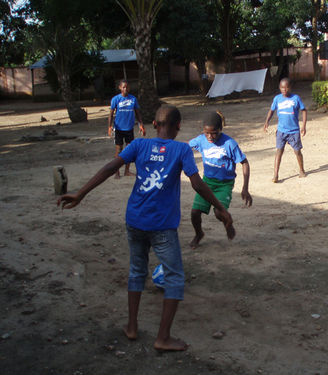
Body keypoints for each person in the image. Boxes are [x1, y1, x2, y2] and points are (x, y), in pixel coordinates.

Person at [58, 105, 233, 351]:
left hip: (135, 221)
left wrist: (80, 193)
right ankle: (162, 337)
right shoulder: (182, 149)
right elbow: (198, 185)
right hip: (162, 226)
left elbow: (110, 168)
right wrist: (220, 208)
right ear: (179, 126)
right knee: (174, 277)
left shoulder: (139, 145)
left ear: (153, 124)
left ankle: (131, 327)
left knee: (137, 271)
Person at [189, 111, 252, 249]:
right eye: (207, 133)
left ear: (220, 129)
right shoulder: (201, 140)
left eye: (214, 133)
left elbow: (245, 162)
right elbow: (186, 146)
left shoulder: (230, 144)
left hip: (224, 184)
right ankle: (199, 234)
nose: (210, 137)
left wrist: (245, 187)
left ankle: (227, 224)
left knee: (219, 213)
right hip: (207, 182)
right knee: (194, 213)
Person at [263, 78, 307, 182]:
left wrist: (304, 126)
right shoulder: (277, 99)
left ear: (290, 87)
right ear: (279, 88)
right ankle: (275, 175)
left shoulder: (296, 98)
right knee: (279, 151)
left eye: (287, 87)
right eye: (282, 87)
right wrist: (266, 121)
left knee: (297, 152)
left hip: (294, 131)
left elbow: (304, 110)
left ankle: (301, 170)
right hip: (281, 131)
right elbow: (272, 110)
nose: (285, 89)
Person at [108, 79, 146, 179]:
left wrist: (141, 124)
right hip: (119, 128)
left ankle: (127, 171)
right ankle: (117, 172)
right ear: (120, 87)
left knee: (129, 150)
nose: (126, 89)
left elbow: (137, 113)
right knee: (118, 150)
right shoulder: (116, 99)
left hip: (129, 128)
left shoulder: (133, 99)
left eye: (127, 87)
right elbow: (111, 114)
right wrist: (109, 126)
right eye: (123, 87)